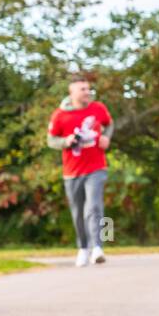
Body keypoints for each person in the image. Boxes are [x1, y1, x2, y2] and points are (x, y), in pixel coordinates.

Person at [47, 77, 113, 267]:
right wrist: (65, 142)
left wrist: (106, 137)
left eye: (88, 89)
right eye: (82, 89)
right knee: (77, 211)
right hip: (72, 171)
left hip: (96, 167)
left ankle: (98, 247)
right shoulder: (60, 115)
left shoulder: (98, 108)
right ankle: (83, 248)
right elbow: (51, 140)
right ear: (72, 93)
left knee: (93, 206)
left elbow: (110, 124)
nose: (87, 92)